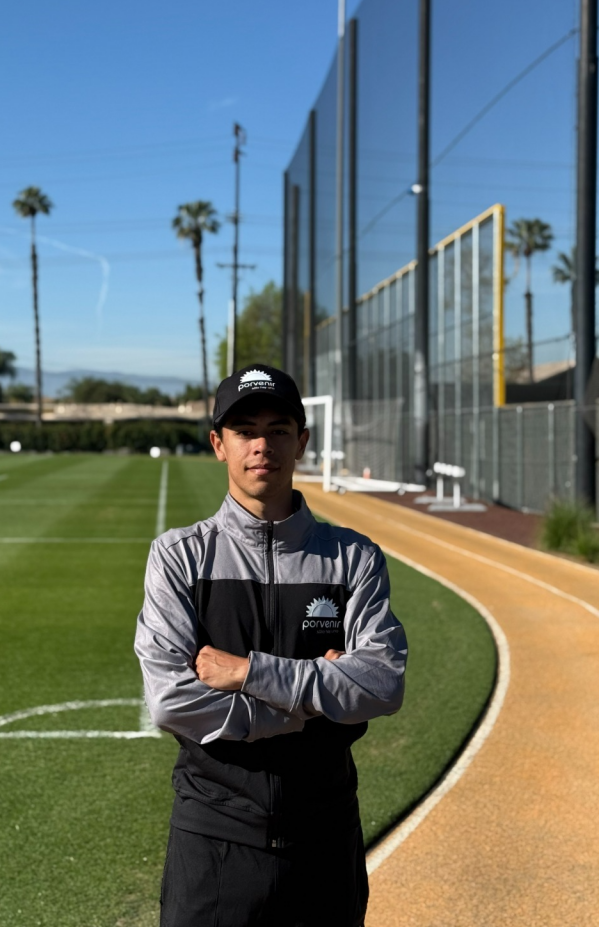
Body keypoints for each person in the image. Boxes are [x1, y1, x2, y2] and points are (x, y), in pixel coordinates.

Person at [135, 363, 407, 927]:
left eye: (278, 430)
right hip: (214, 840)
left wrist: (250, 673)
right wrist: (309, 702)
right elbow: (171, 701)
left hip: (325, 838)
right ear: (219, 444)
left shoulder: (354, 558)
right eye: (245, 431)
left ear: (301, 442)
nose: (262, 445)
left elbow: (382, 683)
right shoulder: (179, 558)